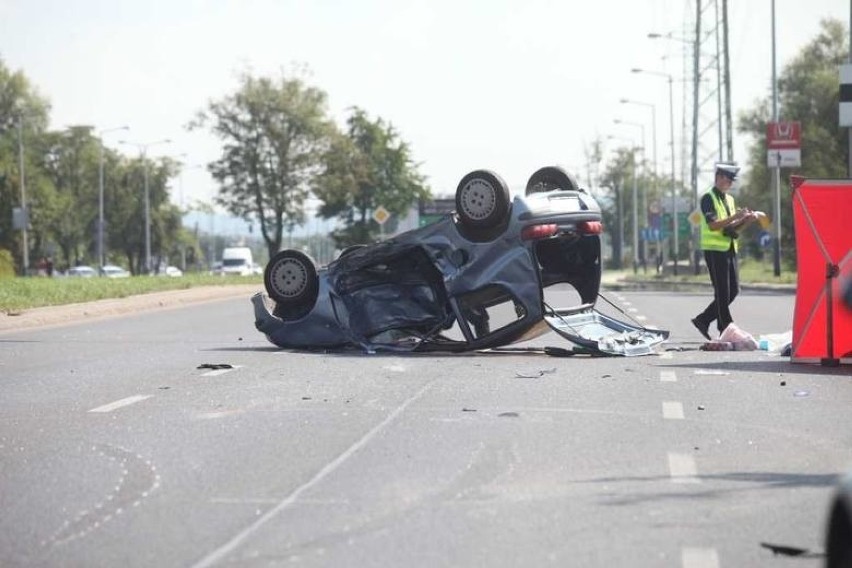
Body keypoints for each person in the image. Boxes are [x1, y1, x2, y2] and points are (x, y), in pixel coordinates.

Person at [691, 162, 761, 340]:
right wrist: (736, 216)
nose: (729, 184)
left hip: (729, 248)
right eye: (728, 180)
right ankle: (725, 326)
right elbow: (714, 225)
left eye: (731, 181)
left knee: (733, 291)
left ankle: (703, 319)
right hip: (714, 250)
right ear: (719, 178)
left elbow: (731, 229)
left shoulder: (729, 199)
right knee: (722, 291)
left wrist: (747, 220)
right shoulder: (708, 198)